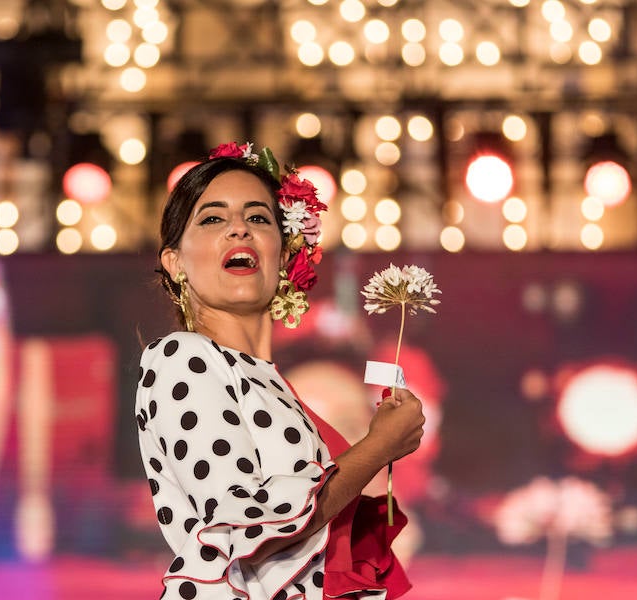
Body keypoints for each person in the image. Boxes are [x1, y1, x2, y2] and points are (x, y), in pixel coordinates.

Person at [135, 142, 425, 599]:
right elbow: (246, 523)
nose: (239, 230)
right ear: (174, 262)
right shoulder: (182, 358)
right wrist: (378, 447)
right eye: (213, 218)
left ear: (285, 255)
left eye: (258, 218)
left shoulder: (274, 386)